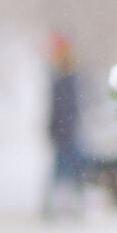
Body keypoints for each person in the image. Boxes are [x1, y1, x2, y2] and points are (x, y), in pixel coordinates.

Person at [44, 32, 85, 217]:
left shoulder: (69, 77)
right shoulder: (60, 77)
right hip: (63, 133)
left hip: (69, 131)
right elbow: (56, 106)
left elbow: (70, 106)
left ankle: (70, 206)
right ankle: (55, 207)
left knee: (70, 171)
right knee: (63, 171)